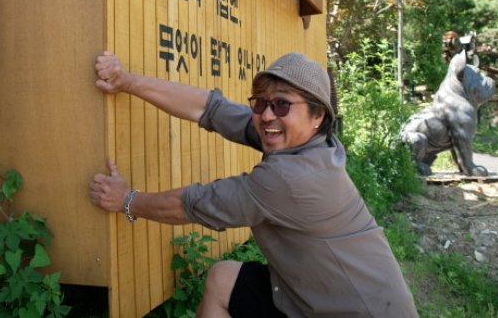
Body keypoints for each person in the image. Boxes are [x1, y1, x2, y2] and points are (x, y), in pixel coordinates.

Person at [89, 51, 418, 318]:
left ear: (317, 116)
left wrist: (127, 201)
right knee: (223, 280)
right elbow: (211, 108)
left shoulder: (292, 179)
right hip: (314, 297)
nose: (267, 115)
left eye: (282, 104)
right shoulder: (305, 143)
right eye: (261, 103)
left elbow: (193, 203)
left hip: (358, 312)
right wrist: (127, 81)